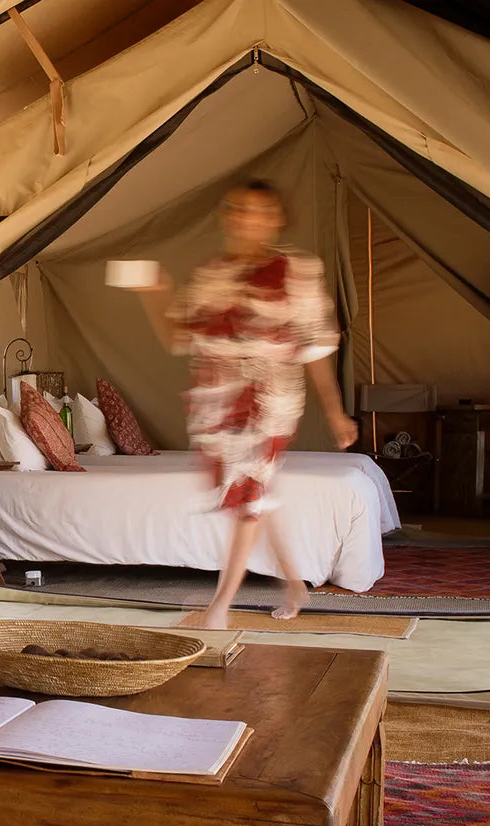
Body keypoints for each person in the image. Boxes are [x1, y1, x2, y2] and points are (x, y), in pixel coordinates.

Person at [128, 180, 356, 629]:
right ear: (226, 216)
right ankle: (295, 584)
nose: (246, 218)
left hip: (270, 401)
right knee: (251, 497)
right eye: (237, 209)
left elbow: (314, 347)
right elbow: (178, 337)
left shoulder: (296, 271)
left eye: (259, 211)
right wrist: (154, 294)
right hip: (217, 402)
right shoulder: (212, 273)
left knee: (249, 493)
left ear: (276, 219)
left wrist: (334, 411)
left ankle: (219, 608)